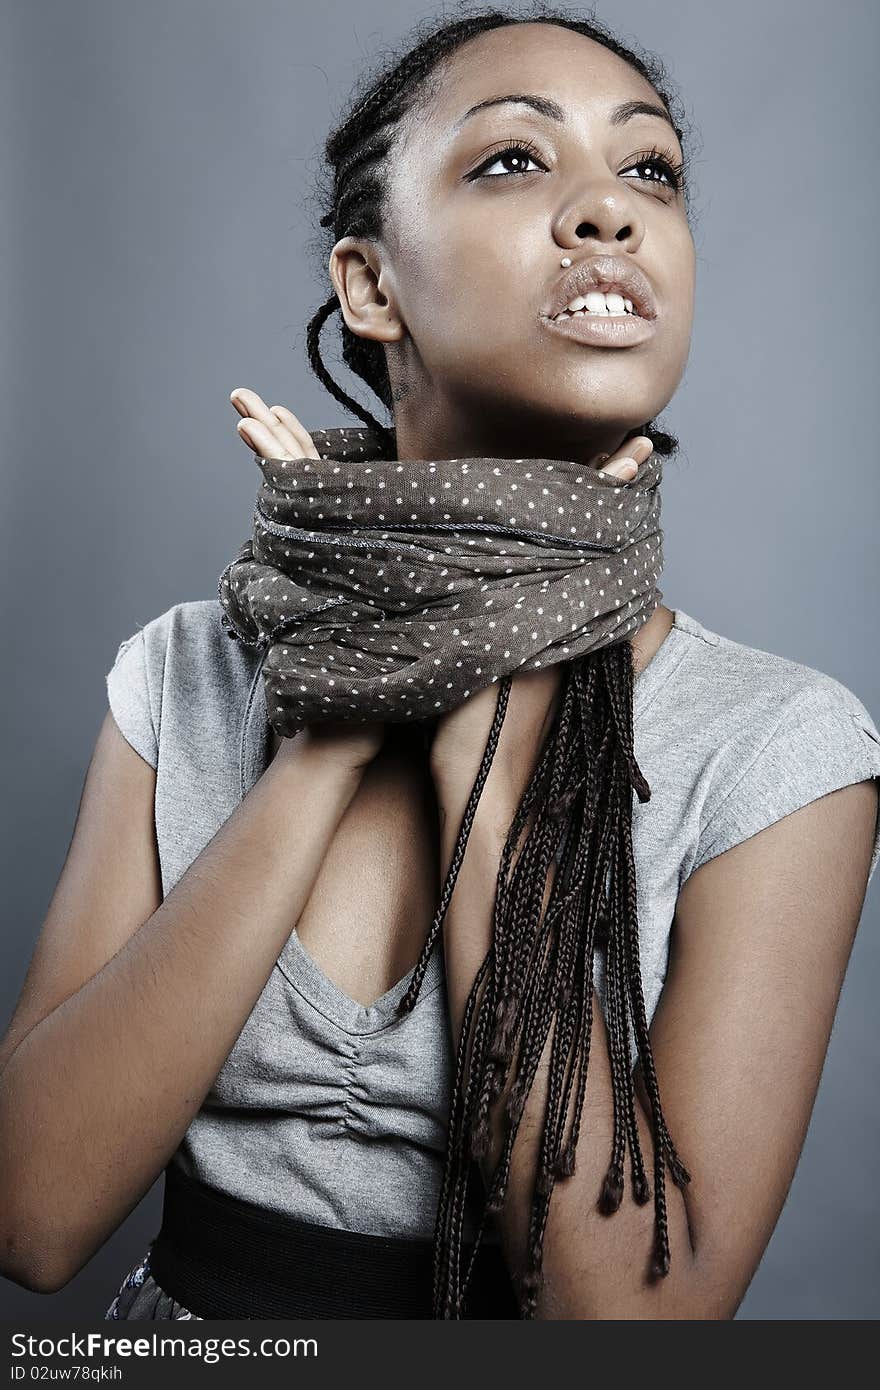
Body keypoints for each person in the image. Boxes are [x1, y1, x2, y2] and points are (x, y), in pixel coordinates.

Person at [1, 7, 878, 1321]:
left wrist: (474, 675)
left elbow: (624, 1322)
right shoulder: (184, 671)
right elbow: (33, 1212)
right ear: (369, 284)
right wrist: (342, 702)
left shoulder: (780, 747)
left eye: (651, 172)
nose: (608, 212)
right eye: (515, 161)